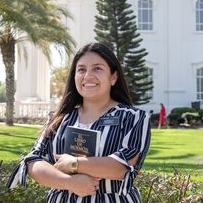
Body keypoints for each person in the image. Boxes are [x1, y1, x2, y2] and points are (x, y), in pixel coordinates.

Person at [8, 42, 151, 202]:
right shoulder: (59, 119)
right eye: (81, 70)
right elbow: (33, 162)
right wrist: (70, 182)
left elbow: (122, 167)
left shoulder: (133, 118)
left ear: (113, 77)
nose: (88, 76)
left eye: (97, 68)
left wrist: (74, 163)